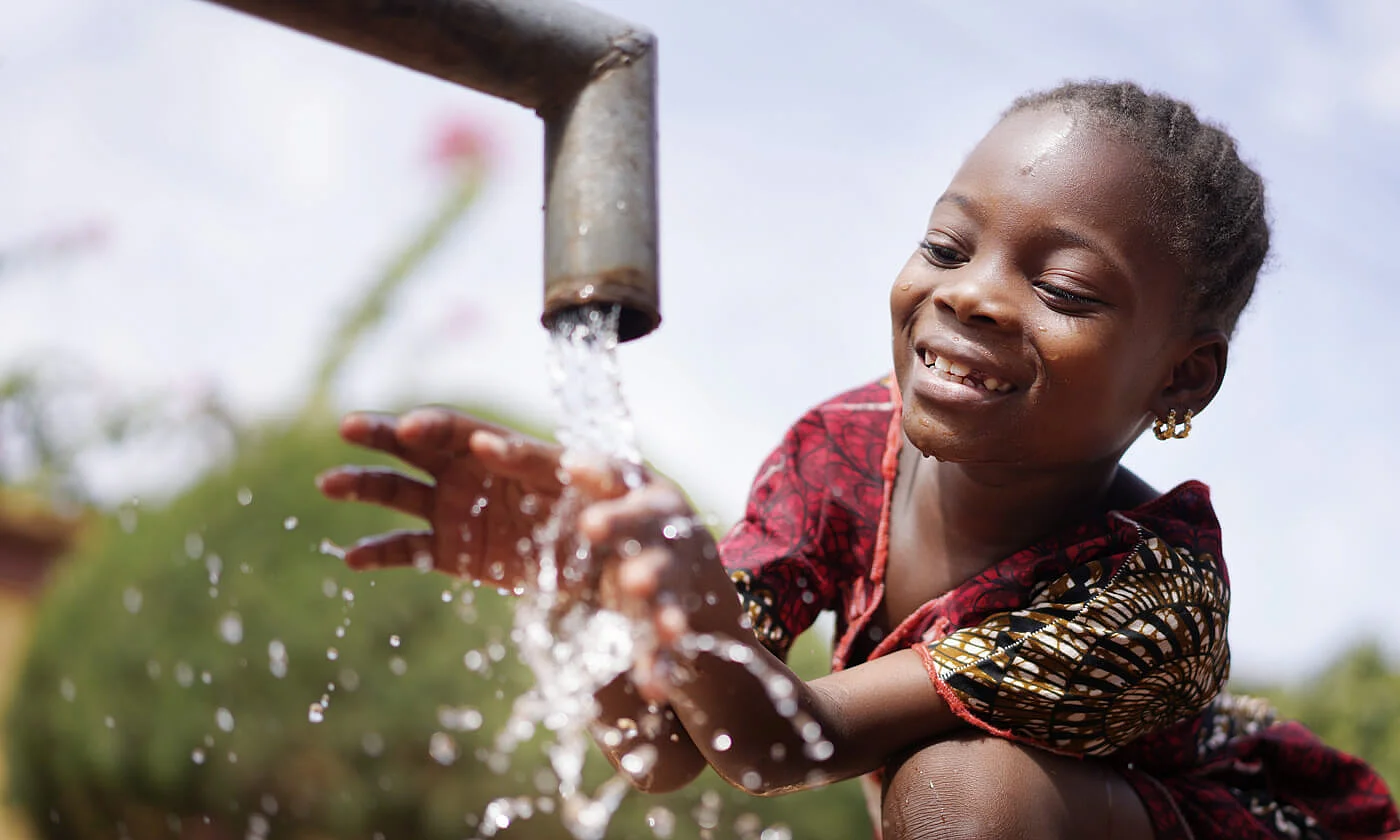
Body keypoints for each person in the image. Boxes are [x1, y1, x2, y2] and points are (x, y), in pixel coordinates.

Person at [317, 80, 1400, 839]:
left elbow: (776, 748)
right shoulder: (841, 450)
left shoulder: (1151, 593)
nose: (970, 293)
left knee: (962, 795)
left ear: (1179, 380)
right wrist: (587, 592)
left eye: (1062, 289)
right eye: (944, 245)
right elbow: (663, 745)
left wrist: (682, 600)